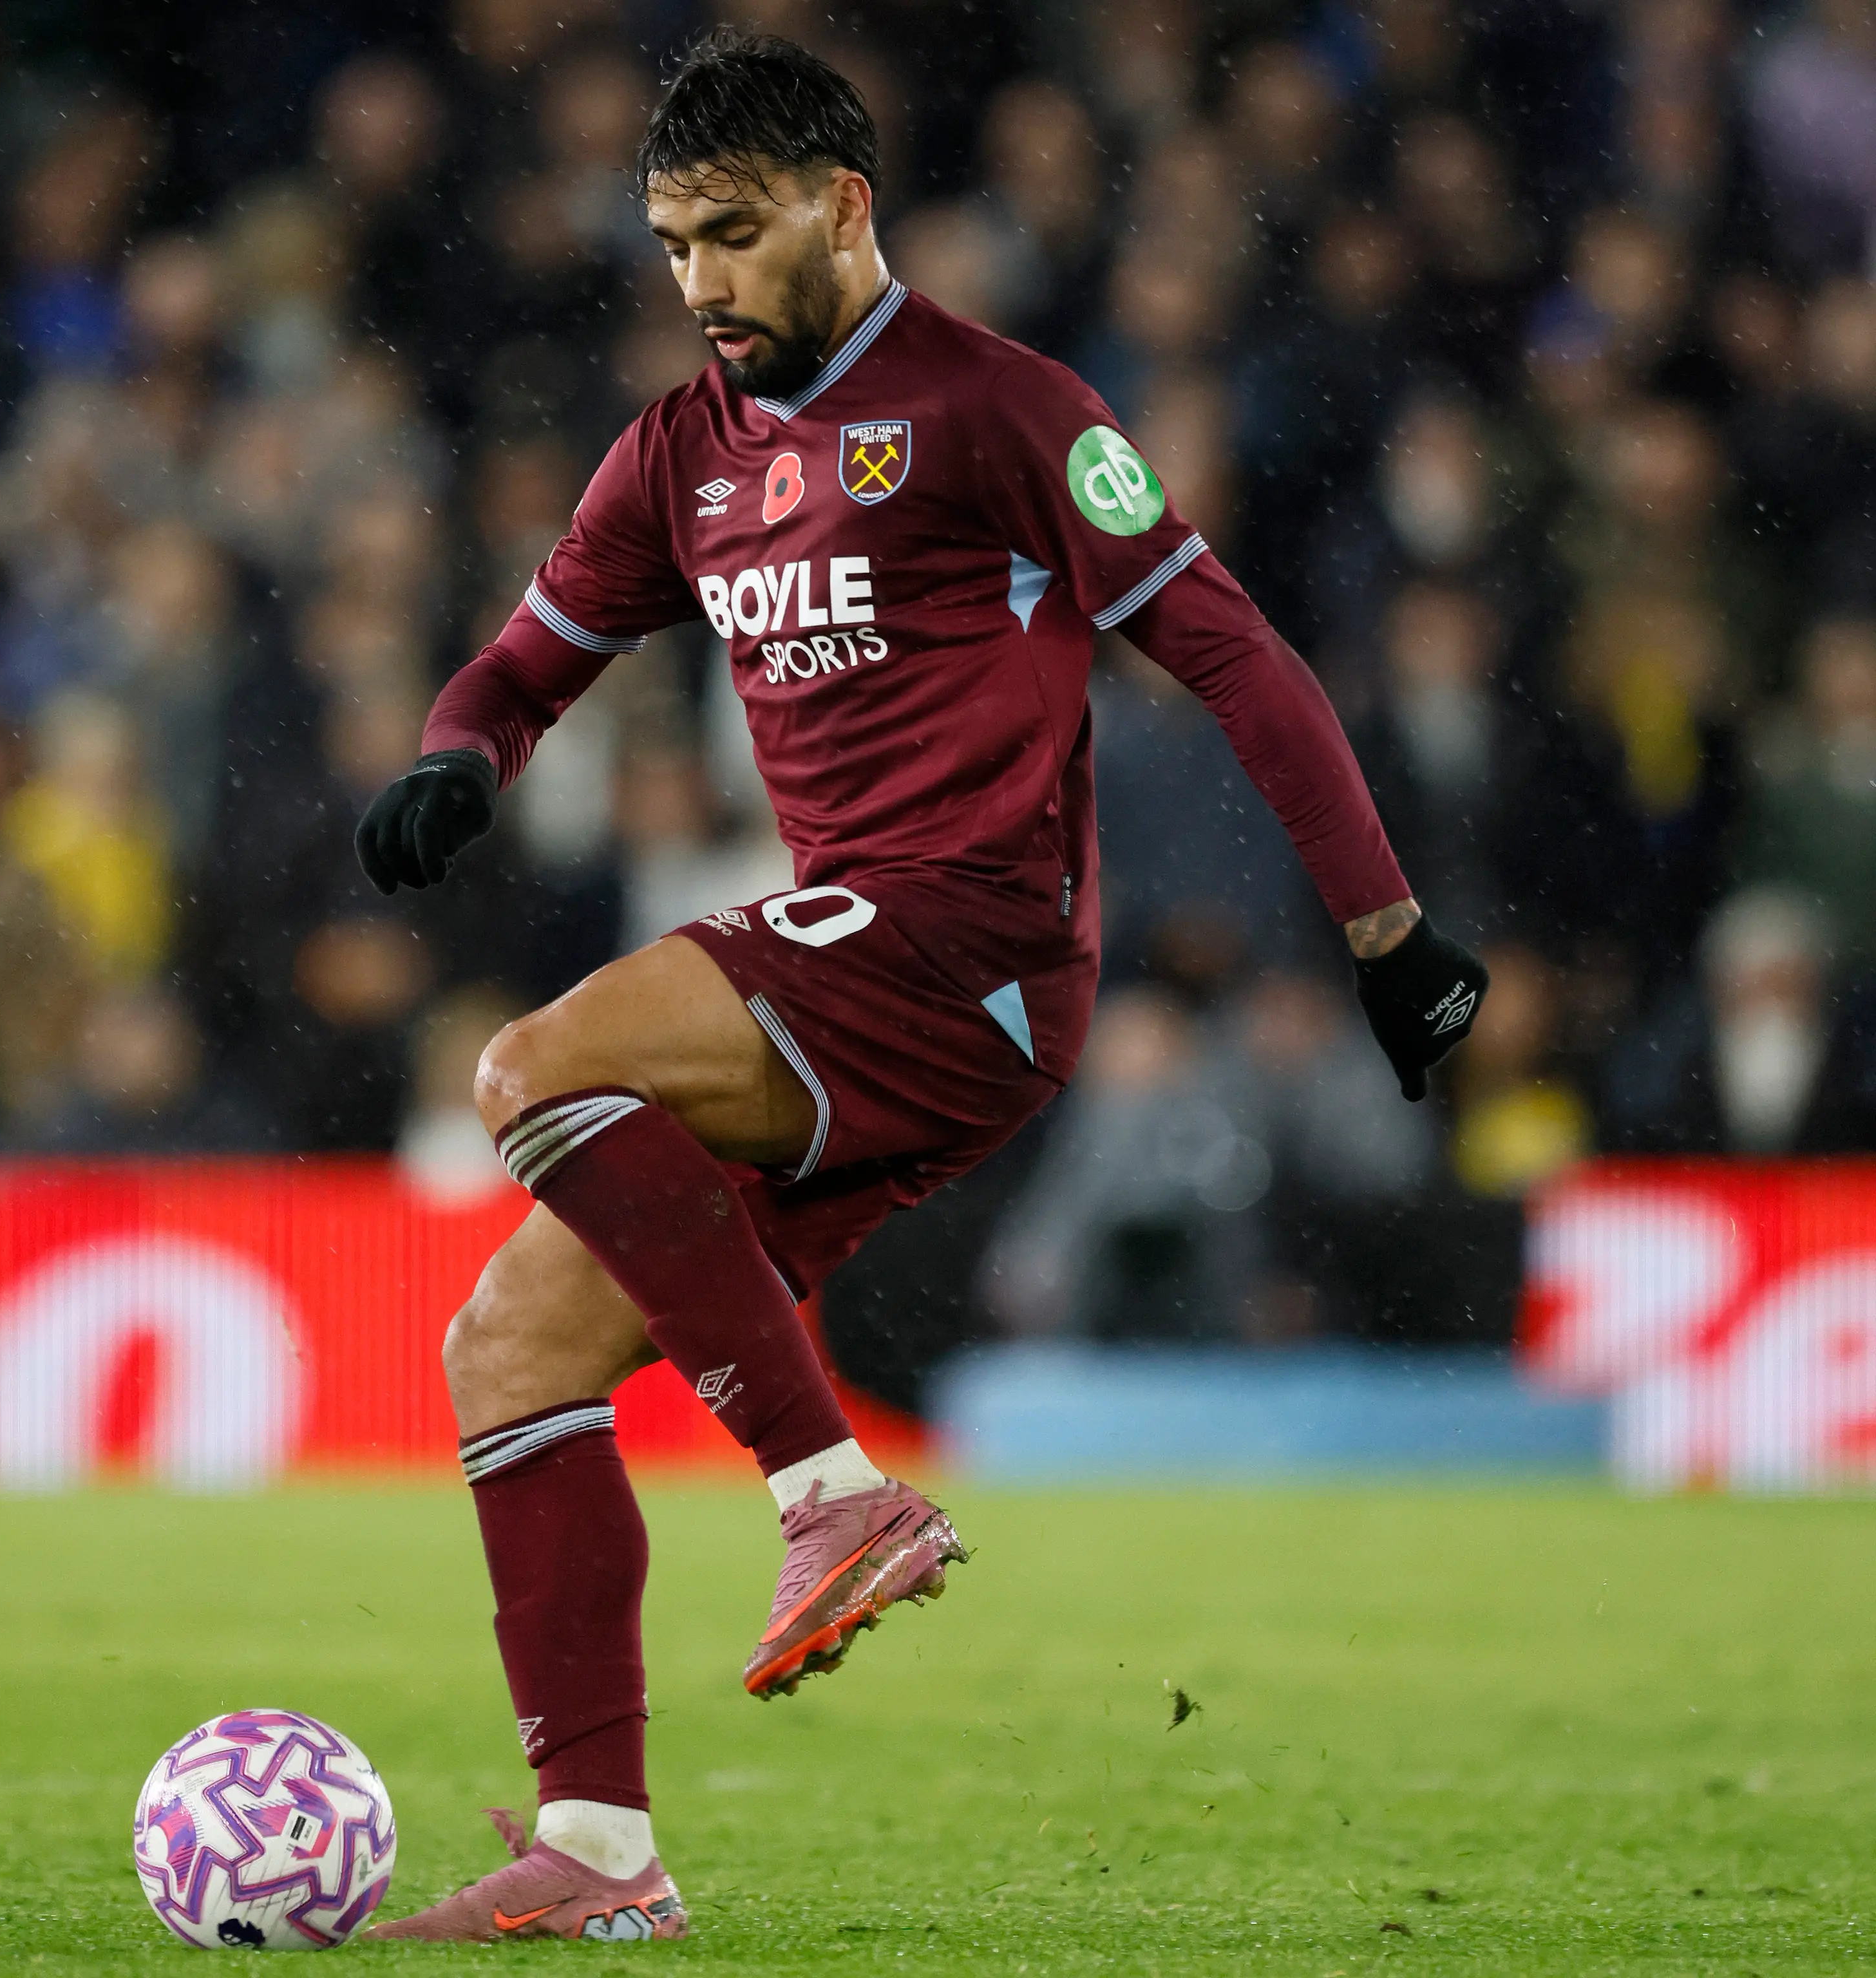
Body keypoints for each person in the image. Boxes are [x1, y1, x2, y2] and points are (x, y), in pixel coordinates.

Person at [349, 32, 1490, 1943]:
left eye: (733, 233)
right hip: (850, 990)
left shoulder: (1003, 410)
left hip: (971, 947)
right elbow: (526, 660)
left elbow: (1242, 660)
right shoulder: (681, 456)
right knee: (511, 1355)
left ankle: (831, 1494)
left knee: (531, 1066)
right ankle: (603, 1852)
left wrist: (1387, 934)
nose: (700, 283)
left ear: (844, 206)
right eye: (670, 243)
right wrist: (463, 757)